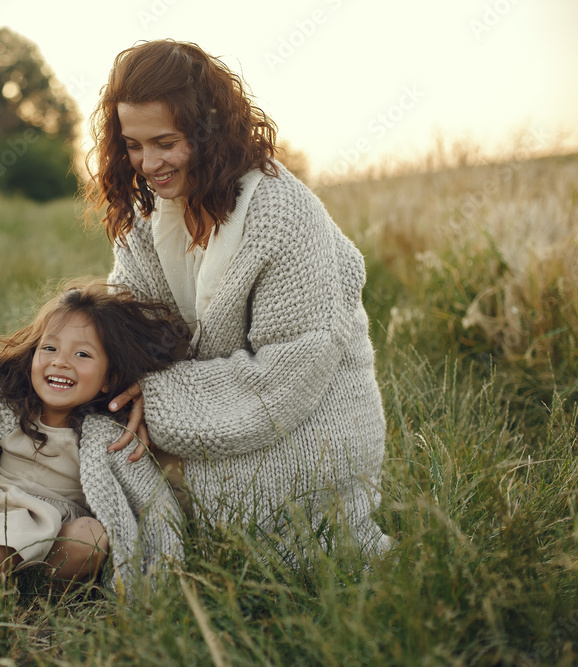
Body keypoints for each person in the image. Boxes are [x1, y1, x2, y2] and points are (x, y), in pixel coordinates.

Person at [84, 39, 391, 557]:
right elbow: (126, 325)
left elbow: (295, 364)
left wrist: (156, 397)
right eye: (134, 145)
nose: (149, 163)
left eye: (165, 142)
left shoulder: (280, 213)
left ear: (207, 129)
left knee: (278, 553)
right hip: (207, 414)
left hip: (307, 426)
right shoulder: (144, 218)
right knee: (83, 434)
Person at [0, 282, 190, 637]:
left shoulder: (109, 435)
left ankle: (32, 599)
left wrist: (157, 573)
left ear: (109, 380)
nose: (61, 361)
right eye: (50, 347)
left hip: (56, 538)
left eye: (83, 355)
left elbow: (150, 503)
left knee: (92, 535)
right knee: (11, 525)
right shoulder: (6, 403)